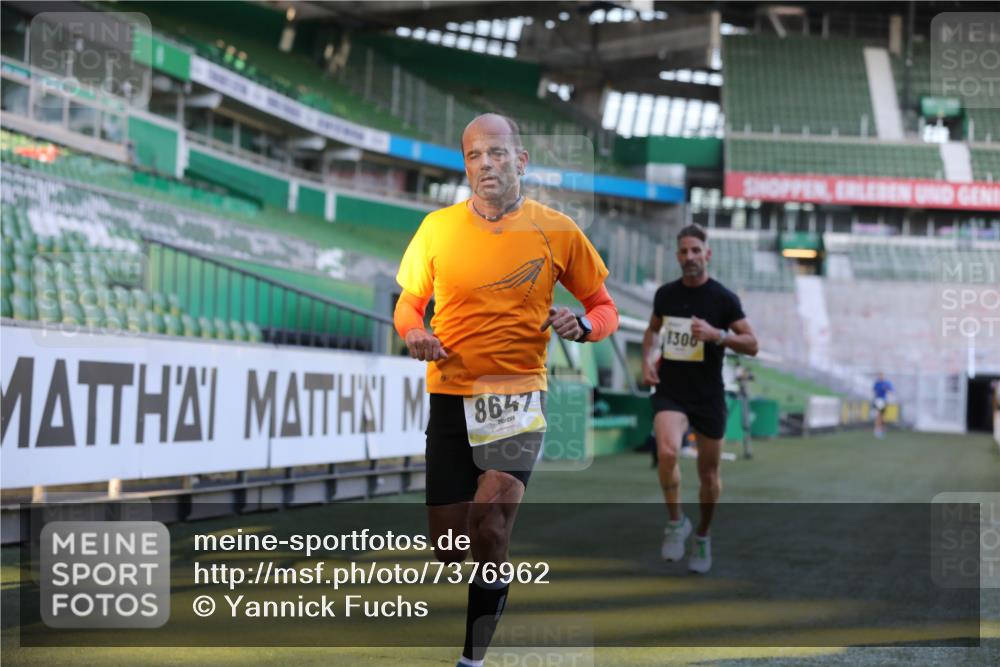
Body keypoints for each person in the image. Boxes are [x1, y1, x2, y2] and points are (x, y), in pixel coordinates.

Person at [394, 113, 619, 667]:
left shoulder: (557, 229)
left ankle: (472, 659)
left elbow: (604, 307)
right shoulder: (436, 228)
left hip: (515, 396)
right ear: (466, 165)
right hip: (449, 392)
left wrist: (585, 326)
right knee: (449, 546)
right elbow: (408, 303)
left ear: (520, 161)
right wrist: (414, 332)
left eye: (496, 153)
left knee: (489, 527)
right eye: (474, 155)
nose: (486, 164)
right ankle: (489, 582)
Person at [641, 224, 758, 574]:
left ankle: (703, 535)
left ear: (707, 254)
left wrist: (717, 335)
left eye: (695, 250)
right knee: (667, 452)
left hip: (708, 396)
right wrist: (648, 358)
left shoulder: (723, 299)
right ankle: (676, 522)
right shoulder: (665, 294)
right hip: (672, 390)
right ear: (677, 255)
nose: (689, 257)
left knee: (708, 473)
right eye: (683, 251)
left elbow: (752, 343)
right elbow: (652, 330)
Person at [872, 373, 895, 438]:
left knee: (882, 415)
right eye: (880, 376)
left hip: (884, 400)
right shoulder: (877, 383)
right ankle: (877, 430)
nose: (881, 377)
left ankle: (880, 429)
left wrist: (887, 389)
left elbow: (892, 390)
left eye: (882, 375)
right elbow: (874, 390)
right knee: (879, 415)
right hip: (879, 400)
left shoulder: (886, 383)